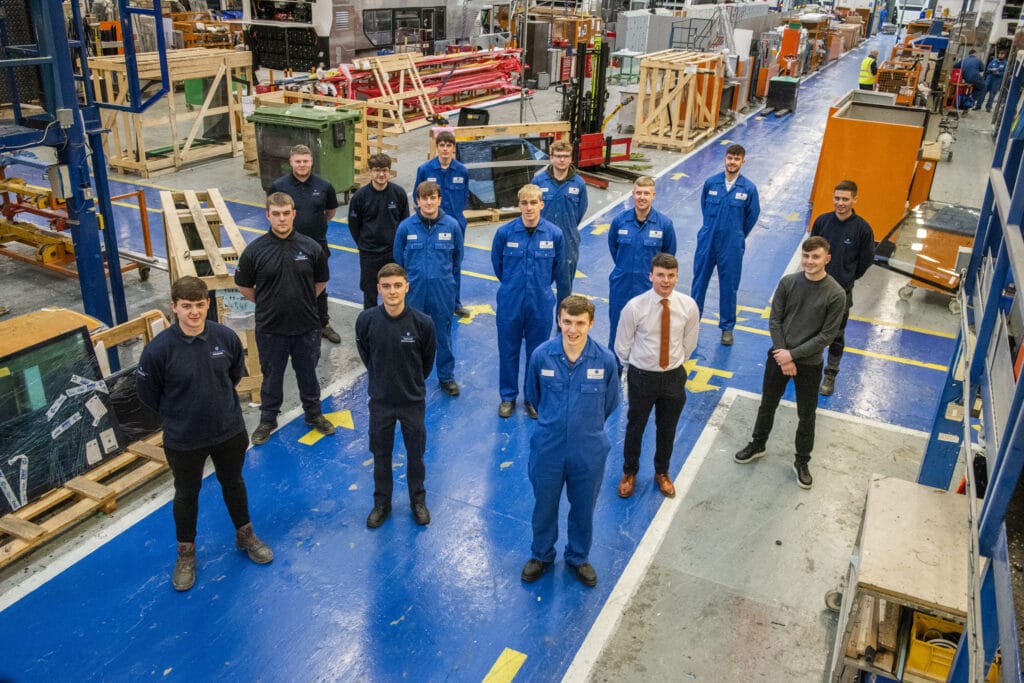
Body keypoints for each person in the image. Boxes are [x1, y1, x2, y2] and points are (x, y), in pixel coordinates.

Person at [136, 276, 273, 592]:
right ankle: (186, 553)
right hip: (183, 439)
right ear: (174, 307)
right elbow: (147, 394)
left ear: (207, 304)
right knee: (186, 494)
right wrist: (179, 414)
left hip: (228, 431)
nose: (194, 313)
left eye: (199, 305)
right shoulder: (158, 351)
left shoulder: (225, 338)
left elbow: (235, 375)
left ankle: (245, 534)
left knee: (234, 483)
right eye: (186, 306)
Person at [520, 295, 620, 588]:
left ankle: (578, 556)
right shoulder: (541, 355)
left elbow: (610, 402)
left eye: (579, 323)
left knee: (583, 506)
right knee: (545, 505)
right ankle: (541, 555)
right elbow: (533, 396)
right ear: (558, 321)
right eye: (566, 322)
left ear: (591, 323)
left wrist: (584, 427)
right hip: (548, 447)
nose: (572, 329)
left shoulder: (605, 360)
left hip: (588, 448)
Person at [733, 237, 847, 489]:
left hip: (808, 363)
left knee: (806, 415)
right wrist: (782, 353)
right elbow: (775, 321)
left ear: (827, 258)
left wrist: (791, 356)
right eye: (806, 257)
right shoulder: (788, 283)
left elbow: (827, 336)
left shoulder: (836, 294)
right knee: (767, 405)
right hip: (778, 356)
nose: (809, 262)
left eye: (815, 257)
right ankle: (758, 443)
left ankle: (802, 461)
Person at [235, 192, 336, 445]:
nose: (281, 219)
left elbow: (321, 281)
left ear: (293, 214)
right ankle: (268, 420)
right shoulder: (254, 250)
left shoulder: (311, 247)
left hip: (306, 325)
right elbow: (244, 285)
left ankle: (314, 414)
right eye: (276, 214)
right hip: (271, 327)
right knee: (272, 376)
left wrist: (300, 297)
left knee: (308, 374)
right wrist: (268, 301)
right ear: (268, 215)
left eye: (286, 213)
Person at [355, 263, 436, 528]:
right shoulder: (366, 321)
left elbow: (426, 363)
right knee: (381, 455)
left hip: (412, 402)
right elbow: (367, 355)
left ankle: (418, 501)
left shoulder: (423, 323)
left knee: (416, 456)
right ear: (378, 289)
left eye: (397, 286)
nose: (392, 292)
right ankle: (382, 503)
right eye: (386, 287)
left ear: (406, 287)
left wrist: (410, 384)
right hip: (380, 402)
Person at [614, 253, 700, 499]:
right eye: (660, 275)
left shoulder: (688, 306)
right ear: (651, 276)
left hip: (673, 376)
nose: (666, 281)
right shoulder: (635, 307)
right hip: (642, 377)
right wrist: (640, 366)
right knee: (636, 426)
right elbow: (622, 345)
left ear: (677, 277)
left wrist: (673, 362)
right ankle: (629, 472)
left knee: (667, 427)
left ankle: (662, 472)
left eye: (671, 276)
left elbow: (689, 342)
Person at [491, 184, 569, 418]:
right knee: (508, 350)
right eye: (524, 203)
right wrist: (513, 286)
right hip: (510, 301)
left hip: (540, 302)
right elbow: (498, 266)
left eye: (533, 203)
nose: (529, 208)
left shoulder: (555, 234)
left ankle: (532, 398)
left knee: (537, 353)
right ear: (519, 205)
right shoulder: (504, 233)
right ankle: (507, 397)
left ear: (541, 205)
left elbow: (559, 270)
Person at [394, 180, 463, 397]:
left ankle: (446, 377)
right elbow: (398, 260)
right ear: (418, 200)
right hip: (414, 290)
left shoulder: (451, 226)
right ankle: (413, 377)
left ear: (439, 200)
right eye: (425, 198)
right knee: (412, 334)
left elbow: (457, 259)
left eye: (433, 198)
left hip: (443, 290)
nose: (429, 202)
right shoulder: (406, 227)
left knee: (443, 333)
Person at [270, 144, 341, 343]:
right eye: (298, 161)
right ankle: (287, 323)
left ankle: (322, 323)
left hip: (317, 245)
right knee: (285, 284)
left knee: (319, 285)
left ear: (312, 162)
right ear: (291, 162)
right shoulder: (279, 186)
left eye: (306, 161)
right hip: (286, 246)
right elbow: (273, 211)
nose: (302, 165)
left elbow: (330, 212)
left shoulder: (324, 186)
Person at [810, 180, 875, 396]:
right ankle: (806, 369)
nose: (840, 203)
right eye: (837, 198)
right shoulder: (822, 222)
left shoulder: (862, 229)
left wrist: (847, 277)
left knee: (836, 335)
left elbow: (866, 261)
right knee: (810, 329)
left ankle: (830, 374)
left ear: (855, 200)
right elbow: (811, 251)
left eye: (845, 199)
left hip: (841, 292)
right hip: (816, 288)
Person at [691, 143, 761, 346]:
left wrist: (737, 234)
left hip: (732, 244)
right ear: (725, 159)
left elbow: (752, 216)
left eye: (737, 159)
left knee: (729, 286)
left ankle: (727, 328)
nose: (732, 162)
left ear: (743, 161)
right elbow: (705, 207)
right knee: (699, 282)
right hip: (708, 240)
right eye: (730, 158)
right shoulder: (711, 183)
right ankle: (693, 323)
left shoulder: (748, 188)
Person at [607, 176, 677, 351]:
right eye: (638, 193)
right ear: (632, 194)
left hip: (648, 286)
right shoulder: (619, 221)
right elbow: (614, 248)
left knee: (648, 331)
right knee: (617, 328)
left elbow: (668, 258)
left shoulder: (664, 224)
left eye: (646, 193)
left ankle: (642, 371)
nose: (642, 197)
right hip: (621, 284)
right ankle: (615, 371)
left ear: (653, 195)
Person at [415, 129, 471, 317]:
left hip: (455, 225)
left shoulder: (462, 171)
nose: (445, 149)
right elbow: (417, 196)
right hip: (430, 225)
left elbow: (464, 197)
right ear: (437, 147)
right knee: (428, 262)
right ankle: (427, 301)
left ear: (454, 149)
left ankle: (455, 302)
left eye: (449, 146)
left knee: (454, 264)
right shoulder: (424, 170)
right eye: (442, 145)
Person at [348, 153, 410, 309]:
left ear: (389, 171)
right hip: (369, 254)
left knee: (395, 291)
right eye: (376, 170)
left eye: (384, 170)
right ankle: (370, 328)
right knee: (370, 293)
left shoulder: (399, 193)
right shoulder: (360, 197)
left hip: (393, 253)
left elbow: (404, 224)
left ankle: (396, 322)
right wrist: (365, 244)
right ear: (370, 172)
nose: (381, 174)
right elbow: (354, 225)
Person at [533, 139, 589, 303]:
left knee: (565, 288)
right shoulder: (539, 181)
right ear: (551, 158)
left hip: (568, 242)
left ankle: (562, 322)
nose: (562, 160)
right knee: (539, 287)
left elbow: (581, 210)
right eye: (558, 156)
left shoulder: (579, 184)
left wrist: (568, 227)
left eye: (566, 156)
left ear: (571, 159)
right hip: (542, 240)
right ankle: (540, 321)